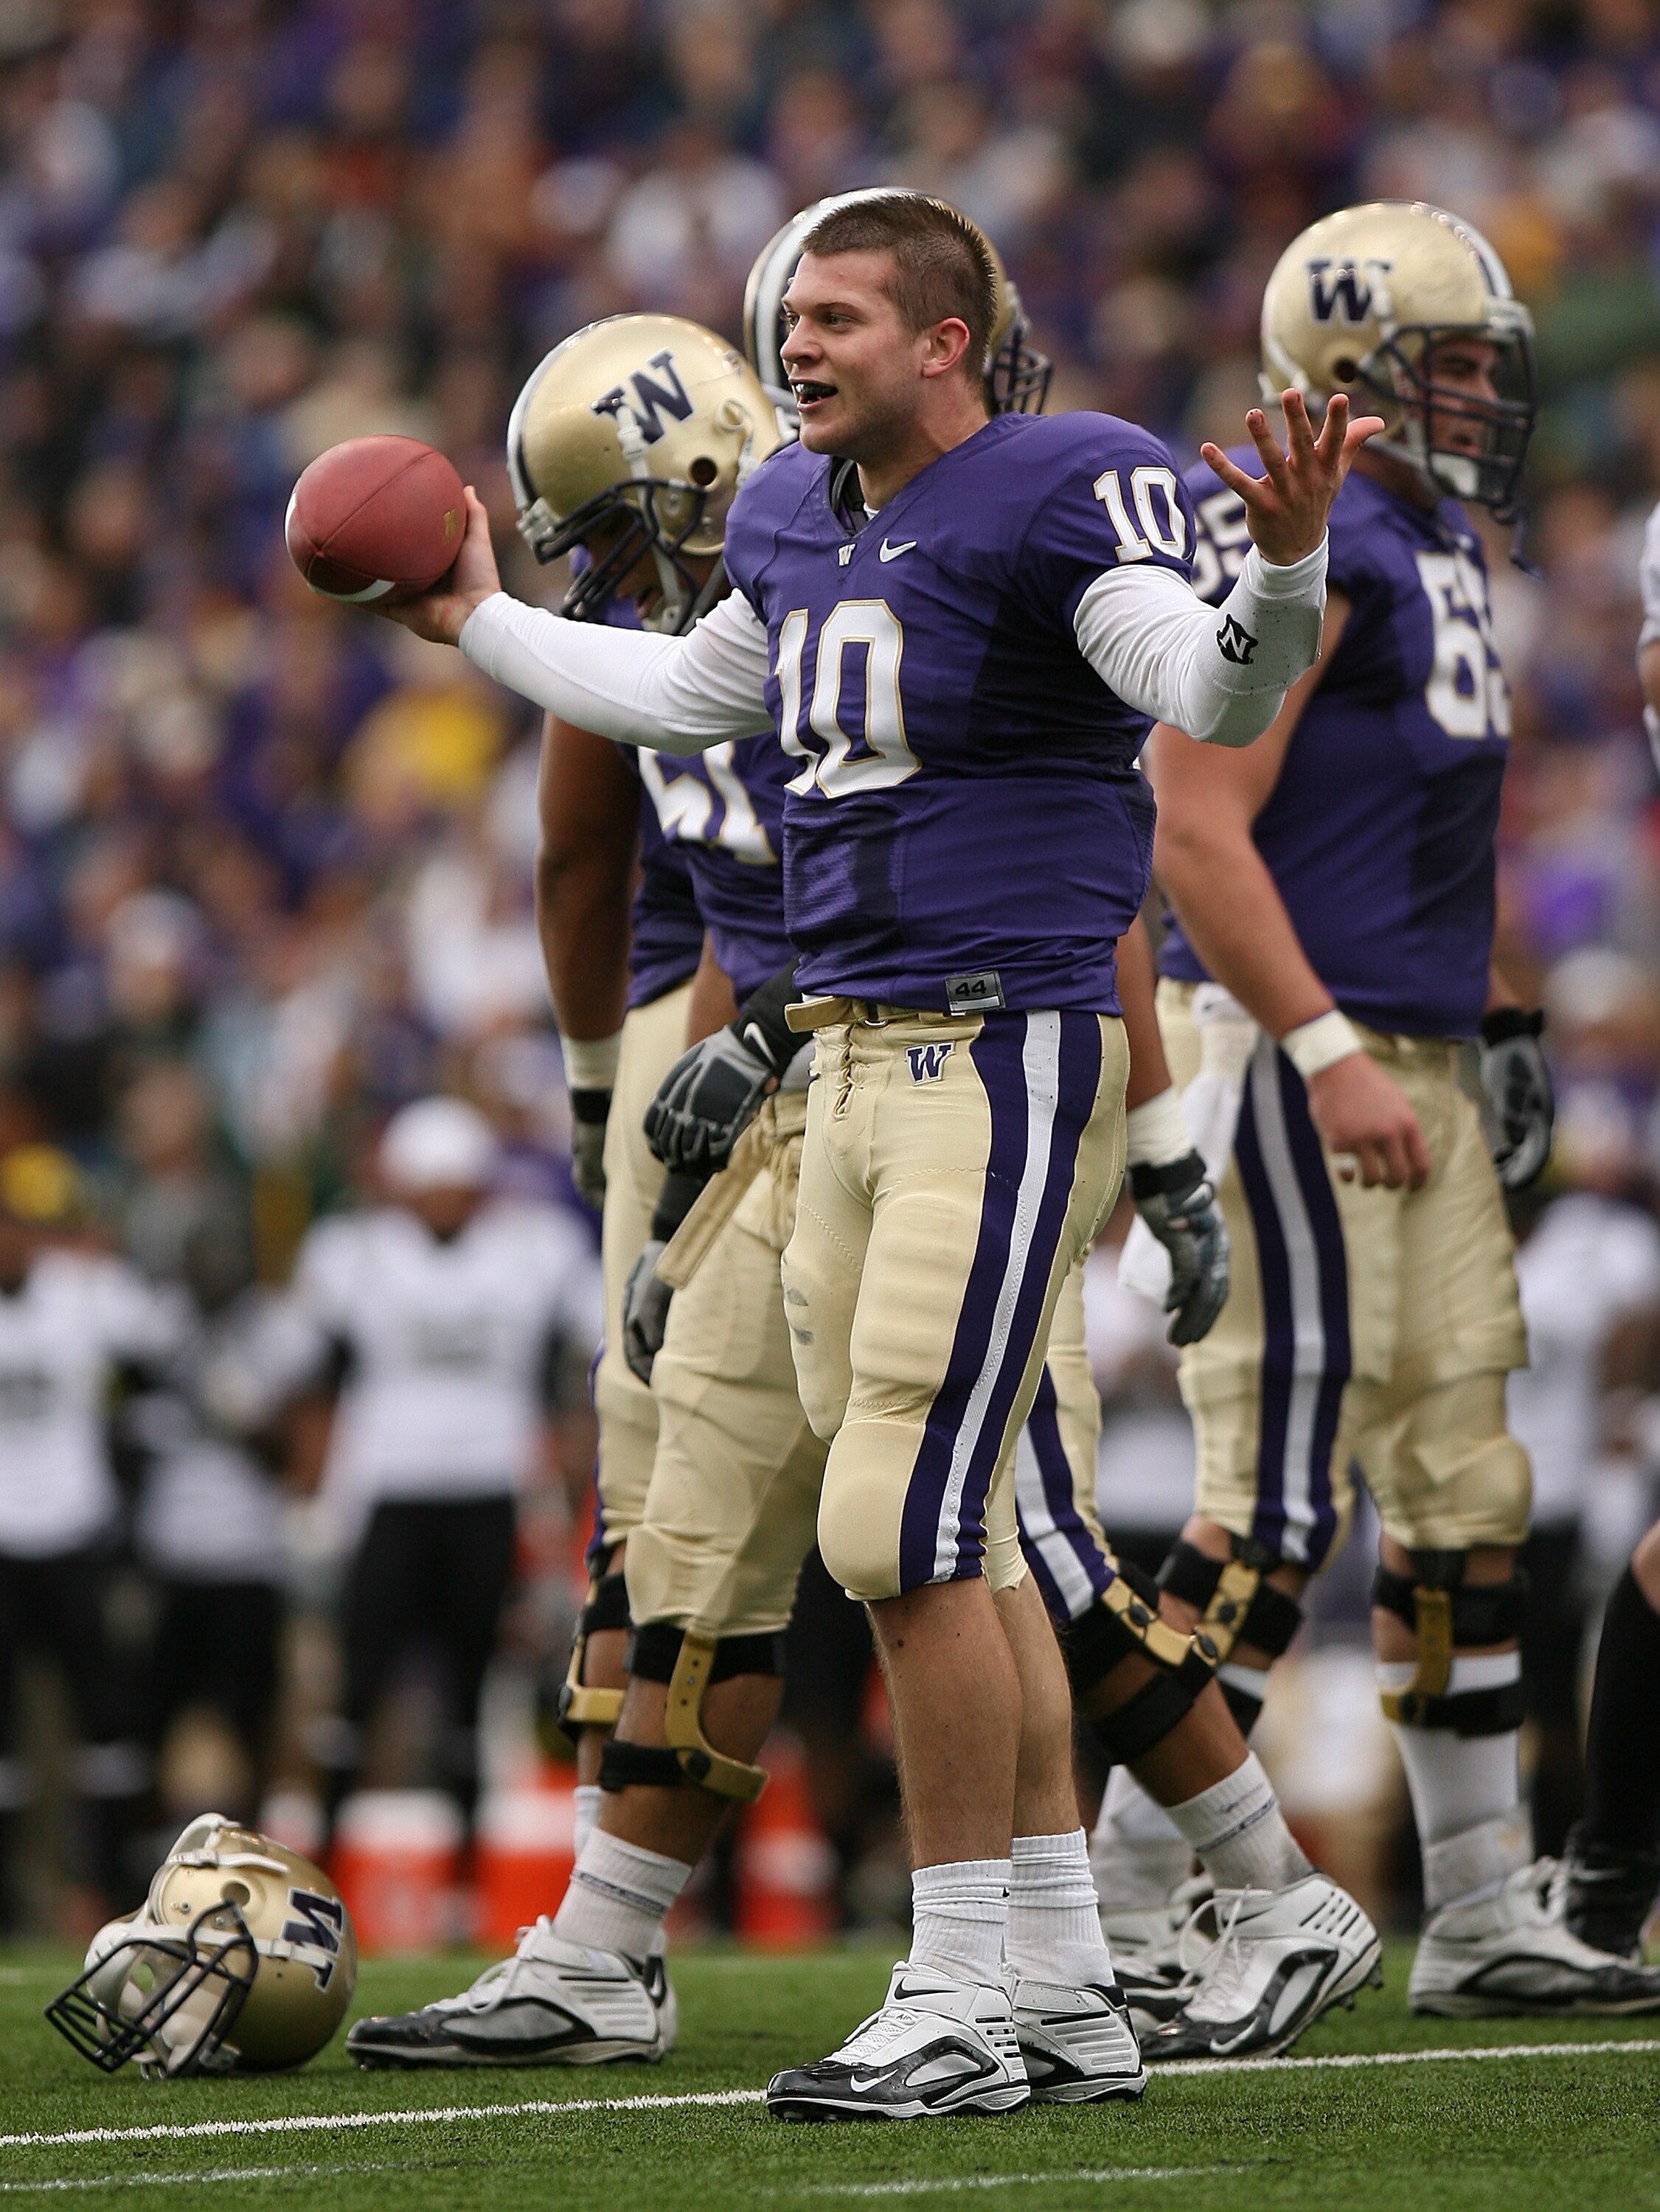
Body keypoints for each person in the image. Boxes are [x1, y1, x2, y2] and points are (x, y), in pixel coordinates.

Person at [360, 191, 1373, 2117]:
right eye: (784, 319)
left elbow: (1210, 691)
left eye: (831, 316)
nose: (793, 344)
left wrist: (1290, 570)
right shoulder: (793, 518)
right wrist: (479, 616)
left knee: (891, 1527)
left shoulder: (1059, 487)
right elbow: (685, 698)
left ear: (941, 339)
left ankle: (963, 1985)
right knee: (968, 1534)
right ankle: (1063, 1985)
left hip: (994, 1046)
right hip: (840, 1064)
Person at [1125, 198, 1660, 2023]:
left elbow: (1425, 831)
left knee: (1464, 1494)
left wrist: (1484, 1017)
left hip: (1408, 1051)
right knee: (1268, 1502)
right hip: (1293, 1058)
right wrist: (1329, 1041)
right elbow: (1188, 824)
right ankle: (1136, 1893)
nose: (1479, 393)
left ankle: (1485, 1902)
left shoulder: (1433, 539)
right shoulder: (1319, 530)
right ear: (1349, 369)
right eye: (1446, 361)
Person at [290, 1096, 600, 1843]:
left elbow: (574, 1376)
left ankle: (466, 1876)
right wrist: (310, 1490)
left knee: (471, 1681)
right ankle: (324, 1851)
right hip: (387, 1487)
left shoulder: (532, 1250)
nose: (443, 1199)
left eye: (456, 1183)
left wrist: (564, 1485)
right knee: (360, 1683)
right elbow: (316, 1380)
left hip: (490, 1487)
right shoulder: (355, 1253)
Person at [0, 1144, 183, 1926]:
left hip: (77, 1530)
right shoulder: (88, 1292)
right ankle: (14, 1896)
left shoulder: (93, 1292)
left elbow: (162, 1361)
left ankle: (116, 1886)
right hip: (8, 1539)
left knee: (107, 1723)